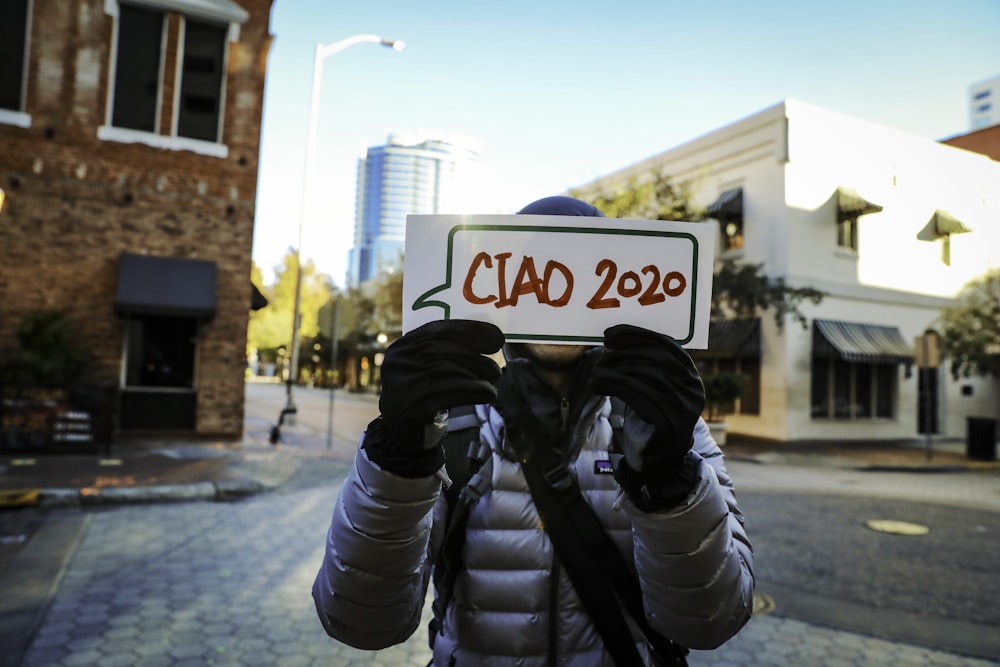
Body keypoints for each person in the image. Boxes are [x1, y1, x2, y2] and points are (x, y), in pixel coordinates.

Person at [312, 196, 755, 665]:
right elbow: (361, 623)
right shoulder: (449, 425)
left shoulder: (665, 427)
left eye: (583, 272)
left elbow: (713, 621)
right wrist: (398, 457)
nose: (555, 292)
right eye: (536, 270)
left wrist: (670, 484)